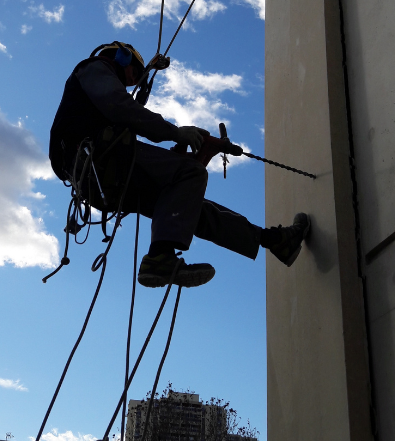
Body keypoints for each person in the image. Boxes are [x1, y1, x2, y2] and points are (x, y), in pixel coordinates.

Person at [50, 42, 310, 289]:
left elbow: (123, 114)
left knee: (187, 204)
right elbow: (121, 106)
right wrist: (175, 133)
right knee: (188, 172)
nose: (132, 80)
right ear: (119, 56)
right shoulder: (94, 68)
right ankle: (160, 258)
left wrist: (184, 152)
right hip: (98, 163)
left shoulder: (99, 105)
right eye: (133, 73)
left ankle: (273, 241)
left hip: (102, 178)